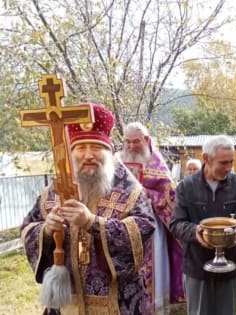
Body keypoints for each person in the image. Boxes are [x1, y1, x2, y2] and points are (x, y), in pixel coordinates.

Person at [20, 104, 156, 315]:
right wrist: (46, 230)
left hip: (116, 303)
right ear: (72, 153)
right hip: (67, 300)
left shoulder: (129, 190)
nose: (89, 155)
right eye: (81, 148)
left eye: (96, 147)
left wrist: (93, 223)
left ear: (109, 152)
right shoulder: (53, 191)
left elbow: (143, 229)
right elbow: (28, 227)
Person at [170, 135, 236, 315]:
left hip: (231, 265)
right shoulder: (186, 187)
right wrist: (197, 232)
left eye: (231, 162)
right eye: (223, 162)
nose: (228, 168)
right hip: (197, 267)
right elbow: (176, 224)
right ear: (206, 159)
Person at [115, 122, 184, 314]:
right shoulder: (116, 161)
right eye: (127, 142)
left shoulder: (157, 163)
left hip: (151, 230)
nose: (130, 146)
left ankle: (153, 309)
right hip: (121, 227)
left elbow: (170, 197)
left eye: (135, 141)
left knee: (151, 274)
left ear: (146, 140)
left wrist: (143, 192)